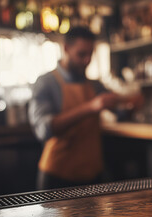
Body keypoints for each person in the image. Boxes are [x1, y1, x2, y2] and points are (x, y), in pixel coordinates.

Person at [29, 27, 131, 190]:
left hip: (93, 175)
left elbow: (120, 113)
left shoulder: (94, 84)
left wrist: (131, 104)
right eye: (81, 54)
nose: (87, 60)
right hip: (57, 177)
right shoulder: (46, 82)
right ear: (66, 49)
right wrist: (90, 107)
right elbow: (44, 128)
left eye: (90, 54)